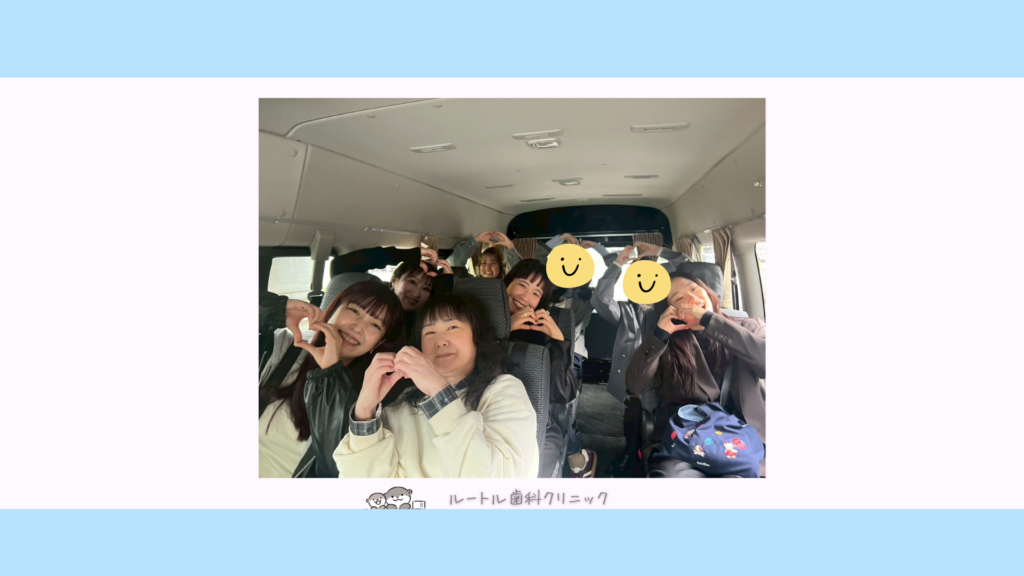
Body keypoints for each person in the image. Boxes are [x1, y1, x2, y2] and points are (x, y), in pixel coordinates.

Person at [333, 294, 539, 478]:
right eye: (430, 332)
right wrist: (364, 412)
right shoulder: (401, 403)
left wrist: (440, 393)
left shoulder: (504, 390)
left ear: (476, 337)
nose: (440, 341)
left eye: (452, 327)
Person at [624, 270, 766, 477]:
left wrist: (710, 321)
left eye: (695, 289)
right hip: (687, 440)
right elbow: (635, 386)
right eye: (679, 299)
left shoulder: (750, 328)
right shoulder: (667, 344)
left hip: (748, 440)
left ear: (708, 292)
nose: (692, 299)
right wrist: (659, 335)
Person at [258, 281, 405, 477]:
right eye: (355, 311)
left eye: (375, 325)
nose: (358, 327)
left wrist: (330, 375)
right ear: (332, 310)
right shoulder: (284, 350)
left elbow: (332, 469)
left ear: (378, 343)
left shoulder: (366, 402)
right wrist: (276, 310)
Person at [502, 258, 591, 477]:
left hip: (531, 420)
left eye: (536, 293)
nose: (525, 297)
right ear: (506, 284)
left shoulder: (539, 332)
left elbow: (562, 393)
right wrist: (504, 330)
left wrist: (559, 341)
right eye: (522, 285)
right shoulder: (475, 319)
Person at [447, 230, 523, 278]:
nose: (487, 267)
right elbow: (455, 264)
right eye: (483, 263)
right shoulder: (471, 282)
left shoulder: (507, 285)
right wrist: (477, 239)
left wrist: (510, 246)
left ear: (501, 266)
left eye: (493, 262)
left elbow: (520, 273)